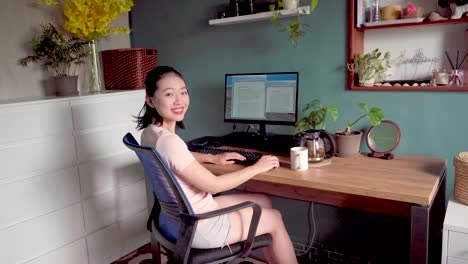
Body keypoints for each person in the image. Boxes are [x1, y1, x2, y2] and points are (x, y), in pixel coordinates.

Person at [136, 66, 298, 264]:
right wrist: (256, 167)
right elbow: (213, 186)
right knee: (274, 218)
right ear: (150, 100)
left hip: (174, 219)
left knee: (262, 200)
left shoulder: (150, 133)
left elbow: (177, 156)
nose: (179, 100)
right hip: (199, 225)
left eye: (183, 92)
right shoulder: (170, 141)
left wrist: (213, 159)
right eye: (169, 94)